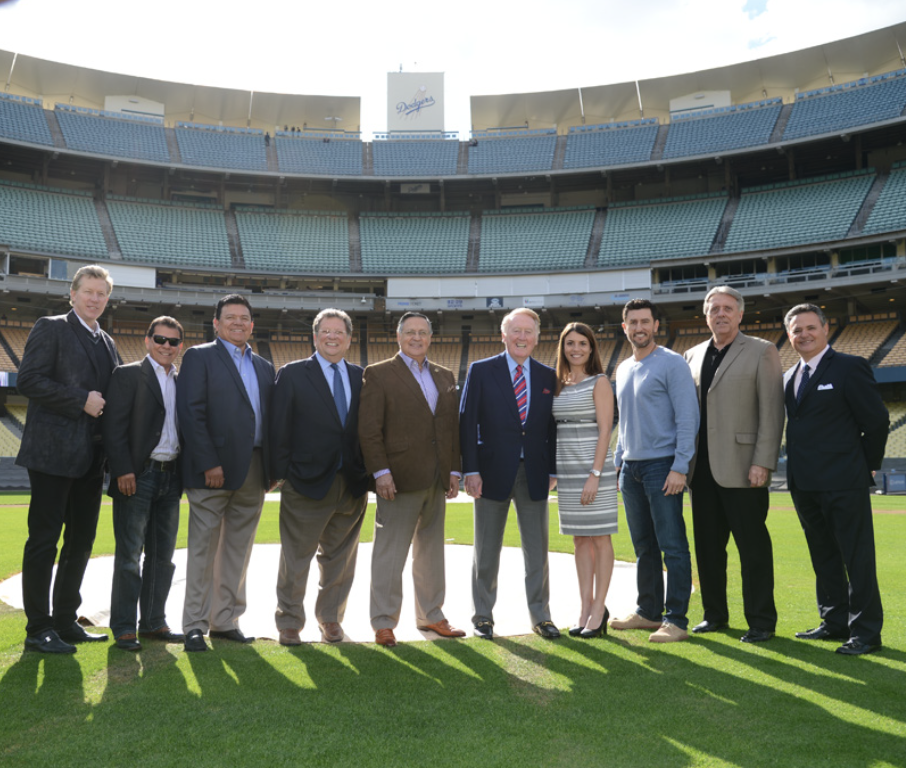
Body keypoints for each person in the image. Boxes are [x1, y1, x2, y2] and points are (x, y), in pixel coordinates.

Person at [16, 265, 118, 653]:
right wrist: (80, 401)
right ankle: (37, 628)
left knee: (81, 542)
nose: (95, 299)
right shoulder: (51, 326)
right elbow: (29, 380)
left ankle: (64, 619)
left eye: (102, 294)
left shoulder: (106, 341)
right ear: (72, 294)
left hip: (92, 459)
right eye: (88, 291)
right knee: (44, 542)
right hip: (53, 454)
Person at [783, 304, 889, 655]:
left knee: (857, 558)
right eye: (797, 330)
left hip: (845, 481)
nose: (804, 335)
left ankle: (866, 633)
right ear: (789, 335)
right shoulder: (788, 377)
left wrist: (867, 465)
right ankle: (833, 622)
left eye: (811, 327)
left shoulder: (849, 367)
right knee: (823, 556)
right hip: (804, 484)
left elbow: (875, 421)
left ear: (825, 329)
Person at [684, 287, 784, 643]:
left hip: (745, 469)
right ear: (706, 315)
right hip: (702, 471)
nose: (721, 314)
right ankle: (715, 615)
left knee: (753, 550)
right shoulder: (691, 355)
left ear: (740, 315)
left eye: (728, 308)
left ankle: (761, 622)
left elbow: (773, 411)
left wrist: (763, 461)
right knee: (709, 550)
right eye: (714, 309)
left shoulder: (762, 351)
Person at [358, 312, 464, 648]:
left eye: (423, 332)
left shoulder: (444, 375)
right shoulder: (378, 374)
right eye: (410, 333)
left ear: (431, 338)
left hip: (436, 478)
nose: (416, 338)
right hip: (398, 479)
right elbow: (369, 430)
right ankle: (384, 621)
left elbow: (451, 430)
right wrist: (381, 472)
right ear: (398, 337)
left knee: (431, 553)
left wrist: (454, 471)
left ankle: (432, 615)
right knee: (390, 554)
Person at [176, 294, 275, 652]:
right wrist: (208, 462)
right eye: (230, 317)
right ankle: (194, 625)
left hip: (255, 468)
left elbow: (269, 421)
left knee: (238, 550)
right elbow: (190, 412)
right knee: (202, 551)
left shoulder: (264, 367)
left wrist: (272, 468)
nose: (238, 322)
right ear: (215, 324)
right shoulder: (199, 357)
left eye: (244, 318)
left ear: (252, 325)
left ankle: (225, 620)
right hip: (211, 471)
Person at [271, 309, 369, 646]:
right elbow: (278, 428)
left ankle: (330, 619)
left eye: (339, 332)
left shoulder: (360, 376)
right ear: (315, 337)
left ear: (348, 338)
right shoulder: (294, 374)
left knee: (340, 561)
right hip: (306, 482)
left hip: (351, 483)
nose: (332, 337)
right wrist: (281, 474)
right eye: (325, 331)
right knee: (296, 558)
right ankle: (289, 621)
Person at [460, 307, 559, 640]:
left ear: (537, 337)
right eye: (515, 331)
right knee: (486, 550)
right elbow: (467, 421)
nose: (521, 337)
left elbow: (551, 427)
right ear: (503, 335)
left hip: (534, 473)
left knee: (538, 551)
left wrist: (553, 469)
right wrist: (470, 469)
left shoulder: (548, 376)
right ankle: (483, 616)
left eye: (528, 331)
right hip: (489, 473)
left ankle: (541, 615)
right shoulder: (481, 370)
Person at [610, 299, 698, 643]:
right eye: (632, 322)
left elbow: (688, 418)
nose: (639, 328)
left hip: (663, 465)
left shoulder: (672, 364)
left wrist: (680, 466)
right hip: (631, 468)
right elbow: (625, 421)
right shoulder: (623, 368)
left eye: (645, 321)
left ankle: (676, 619)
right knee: (643, 546)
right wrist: (619, 461)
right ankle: (648, 612)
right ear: (625, 327)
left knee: (672, 544)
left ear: (655, 326)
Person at [103, 317, 186, 652]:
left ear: (180, 346)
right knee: (128, 556)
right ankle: (124, 627)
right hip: (138, 476)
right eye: (160, 339)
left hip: (172, 475)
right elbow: (113, 426)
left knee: (163, 557)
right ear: (147, 340)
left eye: (173, 341)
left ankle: (153, 621)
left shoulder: (183, 380)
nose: (166, 346)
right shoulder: (127, 375)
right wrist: (123, 469)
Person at [552, 322, 616, 639]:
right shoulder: (558, 384)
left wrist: (595, 474)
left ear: (591, 348)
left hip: (595, 472)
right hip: (567, 472)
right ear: (563, 348)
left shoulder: (600, 382)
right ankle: (585, 606)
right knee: (579, 541)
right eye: (570, 343)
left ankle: (599, 608)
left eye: (582, 344)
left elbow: (606, 430)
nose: (576, 349)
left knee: (600, 539)